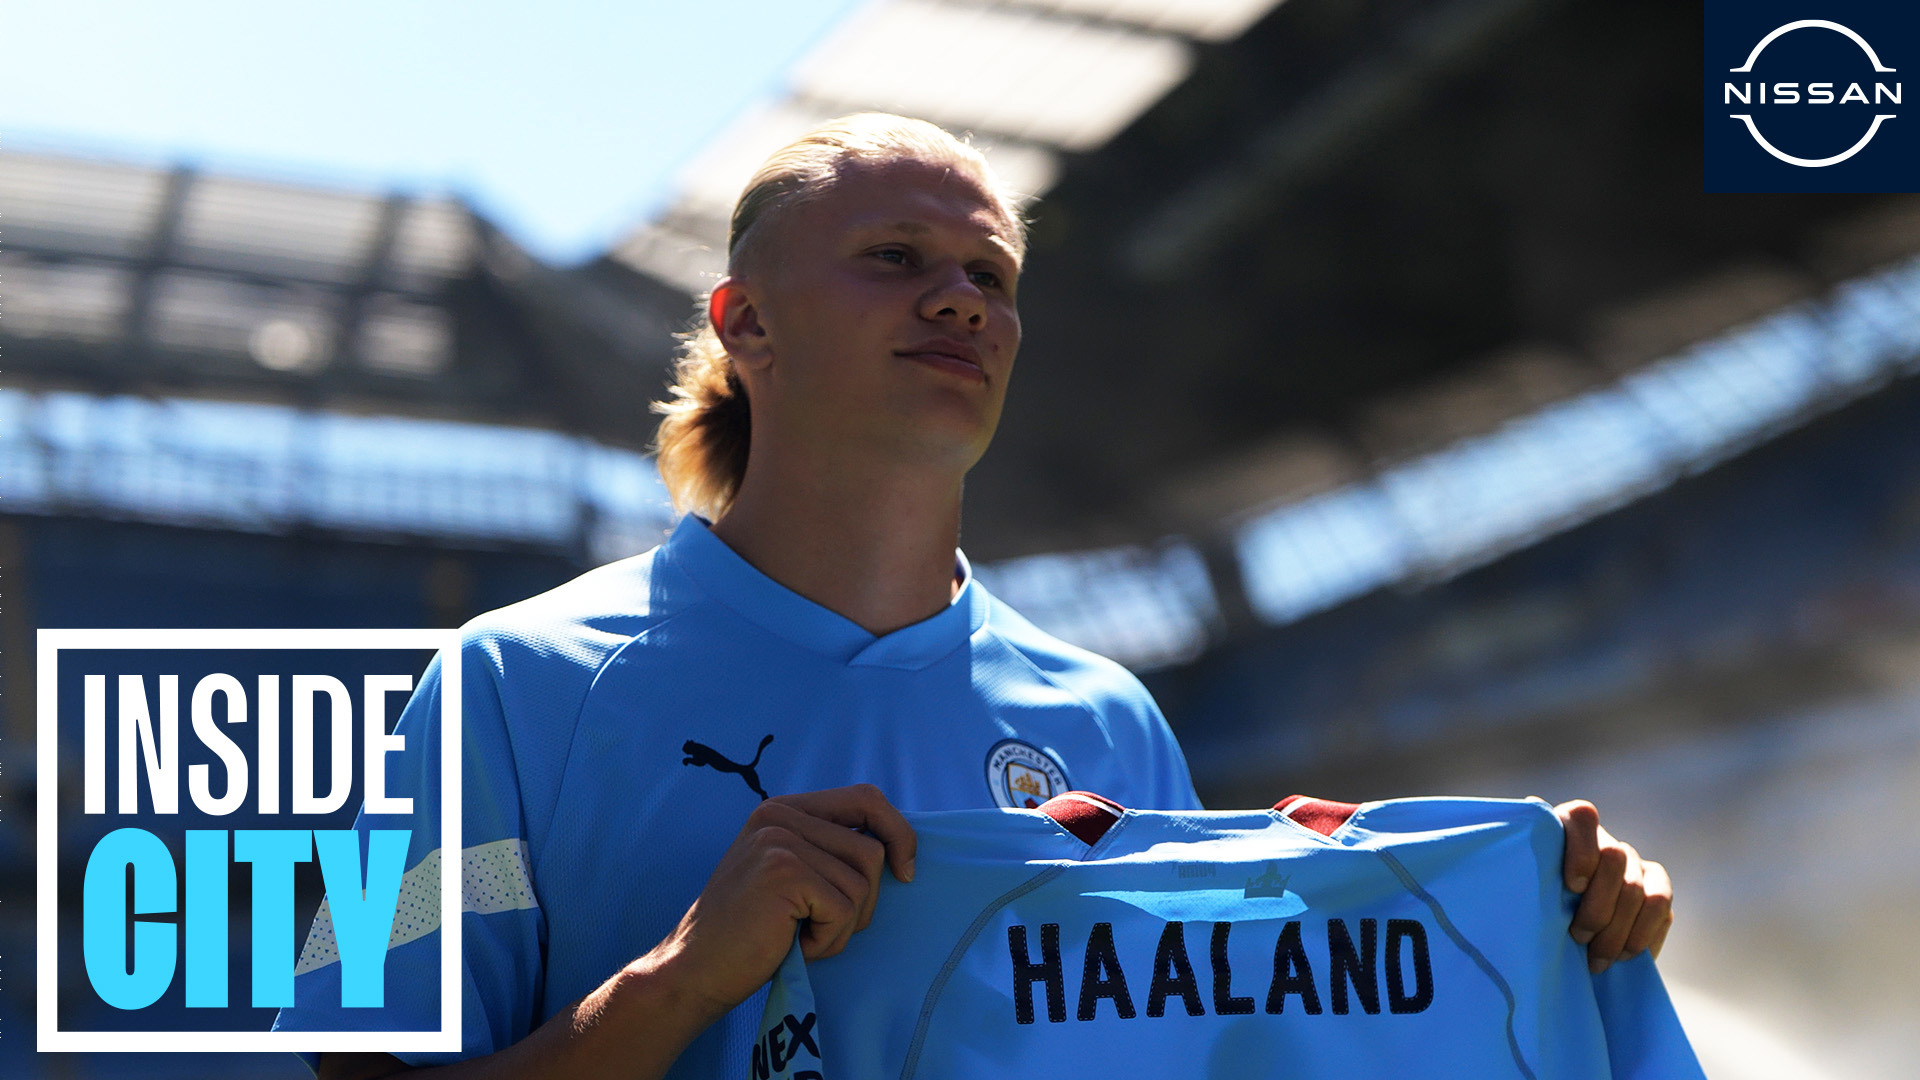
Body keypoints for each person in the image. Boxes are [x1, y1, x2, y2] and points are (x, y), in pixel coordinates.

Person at [294, 114, 1673, 1080]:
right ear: (746, 324)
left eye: (990, 276)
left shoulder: (1115, 724)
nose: (960, 300)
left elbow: (1217, 1045)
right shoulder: (490, 685)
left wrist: (1550, 920)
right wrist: (682, 981)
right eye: (895, 257)